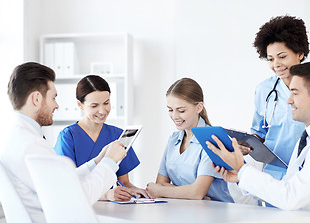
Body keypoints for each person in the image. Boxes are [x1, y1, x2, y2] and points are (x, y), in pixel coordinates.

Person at [208, 62, 310, 223]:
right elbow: (286, 186)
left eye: (295, 93)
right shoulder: (308, 137)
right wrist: (240, 177)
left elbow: (291, 197)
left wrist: (243, 169)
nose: (288, 100)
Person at [0, 62, 127, 223]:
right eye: (53, 97)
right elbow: (77, 197)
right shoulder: (31, 145)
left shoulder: (15, 136)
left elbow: (64, 182)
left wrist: (96, 162)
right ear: (36, 98)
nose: (57, 105)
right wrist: (110, 162)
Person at [248, 15, 310, 180]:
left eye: (282, 57)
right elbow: (259, 132)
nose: (276, 65)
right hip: (274, 176)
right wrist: (245, 144)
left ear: (300, 53)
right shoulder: (263, 91)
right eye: (270, 59)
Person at [54, 75, 150, 200]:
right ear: (80, 105)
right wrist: (105, 196)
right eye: (94, 106)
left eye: (106, 103)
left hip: (112, 209)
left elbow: (124, 183)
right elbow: (67, 187)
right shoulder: (68, 137)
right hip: (81, 207)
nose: (102, 111)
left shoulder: (117, 135)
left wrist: (137, 191)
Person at [146, 78, 234, 202]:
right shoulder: (173, 139)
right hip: (185, 210)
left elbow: (197, 192)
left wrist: (160, 190)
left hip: (216, 214)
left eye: (181, 110)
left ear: (199, 107)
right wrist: (188, 192)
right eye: (170, 110)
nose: (175, 116)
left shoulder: (212, 140)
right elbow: (160, 182)